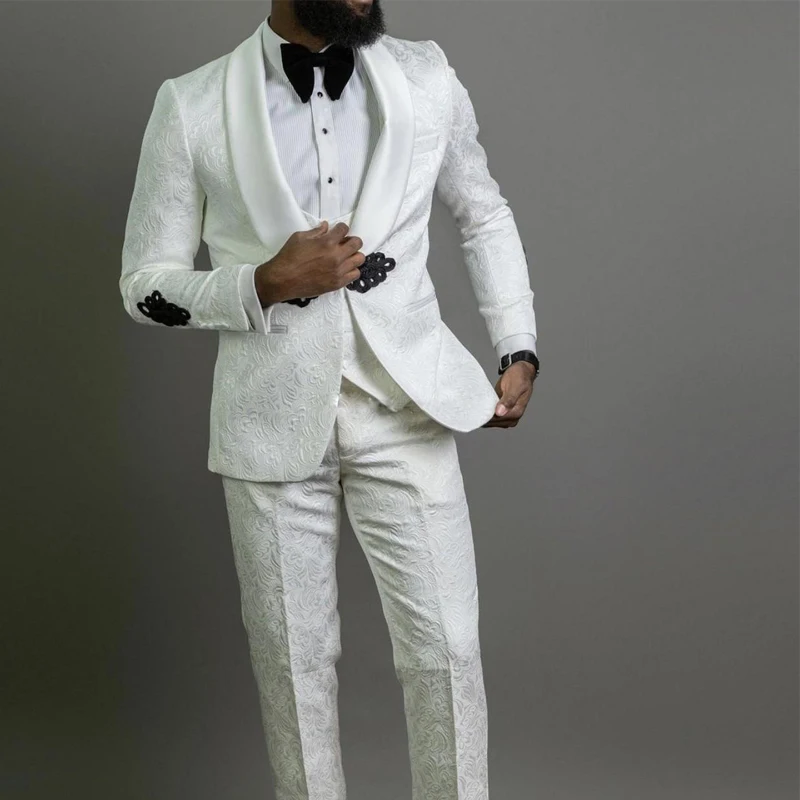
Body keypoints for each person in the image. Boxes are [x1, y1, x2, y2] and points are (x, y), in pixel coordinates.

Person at [120, 1, 539, 797]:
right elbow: (143, 286)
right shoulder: (193, 104)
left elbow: (483, 213)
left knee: (447, 652)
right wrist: (261, 283)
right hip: (268, 421)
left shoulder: (426, 75)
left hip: (406, 406)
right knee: (293, 666)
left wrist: (518, 342)